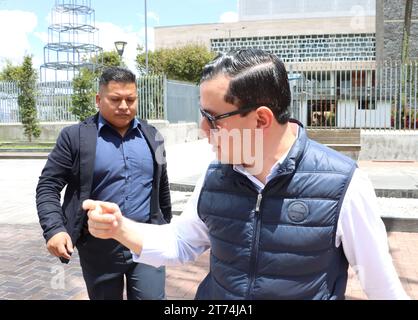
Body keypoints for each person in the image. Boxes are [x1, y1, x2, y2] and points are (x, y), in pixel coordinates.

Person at [83, 49, 409, 300]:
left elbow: (381, 284)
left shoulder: (343, 184)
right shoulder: (216, 175)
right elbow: (182, 241)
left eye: (213, 118)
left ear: (261, 120)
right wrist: (120, 227)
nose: (203, 129)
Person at [36, 67, 171, 300]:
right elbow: (48, 186)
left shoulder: (153, 136)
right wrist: (54, 230)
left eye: (130, 99)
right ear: (99, 100)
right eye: (115, 99)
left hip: (146, 242)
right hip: (99, 249)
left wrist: (167, 226)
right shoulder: (75, 137)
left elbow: (162, 185)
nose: (124, 106)